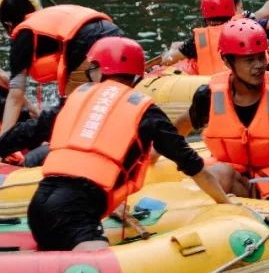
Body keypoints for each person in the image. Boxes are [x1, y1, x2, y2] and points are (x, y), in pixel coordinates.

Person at [25, 37, 233, 251]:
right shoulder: (145, 112)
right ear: (137, 74)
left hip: (39, 205)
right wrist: (228, 206)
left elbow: (28, 131)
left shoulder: (80, 101)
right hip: (74, 214)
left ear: (101, 71)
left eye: (93, 68)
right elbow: (193, 166)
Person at [177, 19, 269, 198]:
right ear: (227, 61)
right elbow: (182, 126)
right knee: (219, 173)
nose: (259, 65)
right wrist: (155, 153)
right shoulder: (208, 95)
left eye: (260, 56)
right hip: (234, 181)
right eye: (249, 60)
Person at [0, 0, 122, 134]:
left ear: (8, 24)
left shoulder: (23, 34)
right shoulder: (44, 18)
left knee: (72, 111)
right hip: (116, 36)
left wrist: (3, 143)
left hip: (89, 43)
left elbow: (15, 95)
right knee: (113, 95)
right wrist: (34, 110)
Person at [159, 0, 237, 75]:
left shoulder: (200, 39)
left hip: (208, 84)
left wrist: (173, 49)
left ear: (204, 14)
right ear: (232, 10)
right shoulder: (240, 29)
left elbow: (166, 61)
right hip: (237, 82)